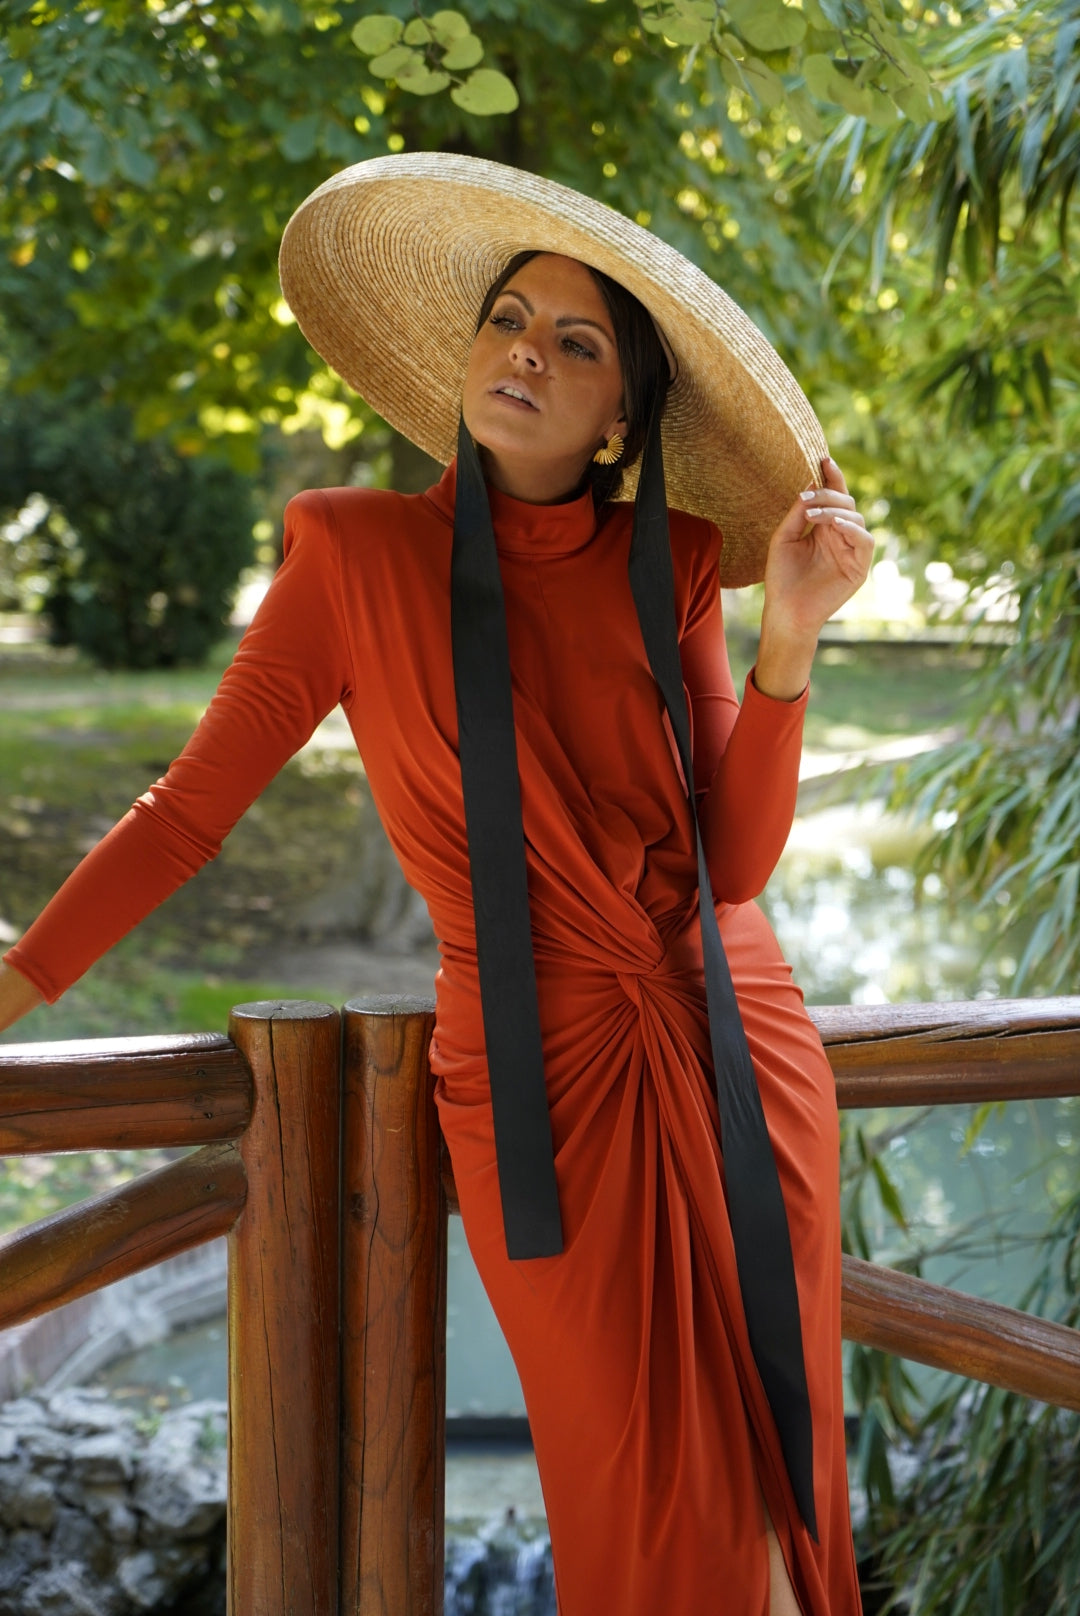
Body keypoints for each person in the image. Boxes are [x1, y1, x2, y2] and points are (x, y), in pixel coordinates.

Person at [0, 155, 873, 1615]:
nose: (525, 351)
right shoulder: (353, 553)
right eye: (507, 320)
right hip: (544, 1082)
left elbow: (732, 866)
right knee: (635, 1502)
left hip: (740, 1056)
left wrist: (789, 639)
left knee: (779, 1503)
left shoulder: (675, 559)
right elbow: (185, 817)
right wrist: (19, 984)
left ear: (621, 418)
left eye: (576, 343)